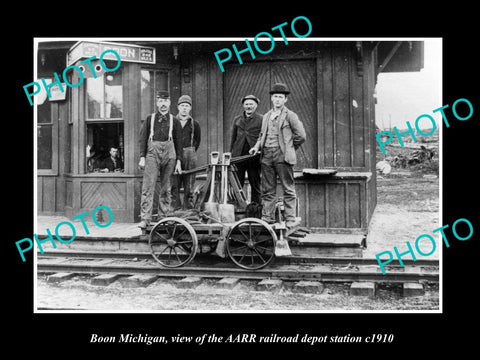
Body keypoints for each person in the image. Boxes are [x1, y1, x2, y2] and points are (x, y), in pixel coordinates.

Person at [249, 83, 306, 228]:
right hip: (266, 155)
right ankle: (267, 218)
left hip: (282, 156)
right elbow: (262, 135)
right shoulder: (267, 116)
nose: (277, 100)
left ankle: (290, 218)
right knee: (268, 189)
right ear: (272, 99)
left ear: (285, 99)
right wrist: (256, 147)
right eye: (275, 97)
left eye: (280, 97)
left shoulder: (291, 116)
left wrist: (289, 148)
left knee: (288, 188)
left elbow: (301, 136)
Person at [138, 91, 183, 228]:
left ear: (169, 103)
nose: (163, 104)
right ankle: (145, 219)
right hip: (152, 154)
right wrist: (142, 157)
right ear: (157, 103)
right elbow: (143, 139)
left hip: (170, 155)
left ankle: (163, 218)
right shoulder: (149, 119)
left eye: (166, 101)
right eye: (160, 101)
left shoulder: (174, 121)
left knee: (166, 188)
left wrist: (179, 161)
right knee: (148, 187)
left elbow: (179, 142)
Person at [229, 94, 262, 204]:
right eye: (246, 104)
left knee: (255, 184)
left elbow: (263, 137)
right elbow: (233, 138)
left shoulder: (261, 119)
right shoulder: (237, 119)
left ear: (256, 106)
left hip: (254, 157)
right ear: (243, 106)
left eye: (251, 104)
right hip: (239, 157)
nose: (249, 106)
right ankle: (237, 208)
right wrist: (230, 154)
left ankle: (256, 209)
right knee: (237, 184)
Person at [171, 95, 201, 210]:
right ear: (178, 107)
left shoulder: (195, 124)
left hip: (190, 155)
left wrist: (190, 152)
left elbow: (197, 141)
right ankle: (175, 210)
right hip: (173, 155)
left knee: (189, 185)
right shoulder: (172, 122)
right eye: (182, 105)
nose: (184, 108)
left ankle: (188, 210)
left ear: (190, 108)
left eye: (187, 106)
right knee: (174, 183)